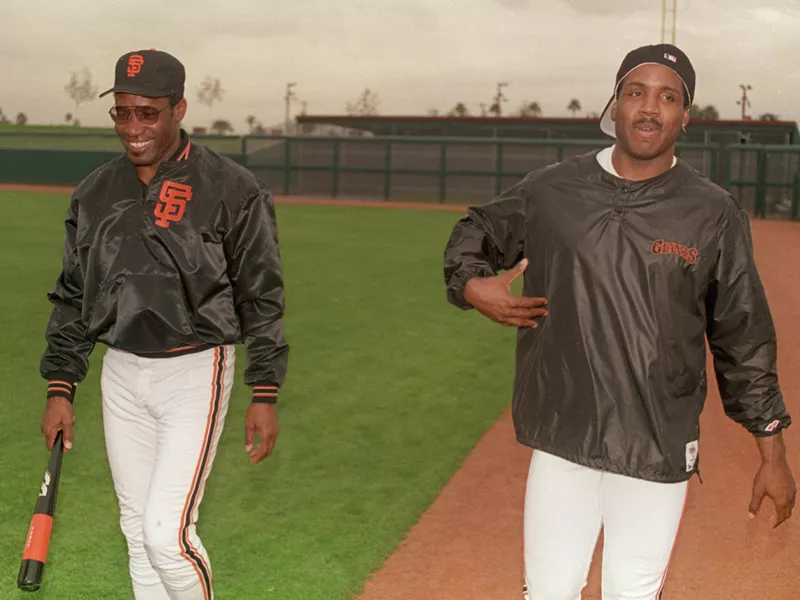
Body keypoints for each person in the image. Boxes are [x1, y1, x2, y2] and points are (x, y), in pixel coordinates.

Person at [443, 43, 795, 600]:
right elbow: (476, 230)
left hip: (655, 442)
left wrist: (772, 452)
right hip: (564, 434)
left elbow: (742, 335)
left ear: (685, 115)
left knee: (632, 593)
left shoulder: (712, 212)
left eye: (667, 97)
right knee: (549, 592)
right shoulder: (551, 190)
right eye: (636, 92)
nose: (649, 108)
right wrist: (470, 283)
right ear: (615, 104)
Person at [39, 49, 289, 600]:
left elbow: (262, 294)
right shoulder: (95, 191)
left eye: (147, 113)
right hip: (121, 373)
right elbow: (74, 296)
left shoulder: (231, 187)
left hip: (195, 371)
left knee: (165, 535)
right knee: (136, 532)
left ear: (179, 109)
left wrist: (264, 389)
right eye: (122, 113)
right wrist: (61, 385)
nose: (132, 127)